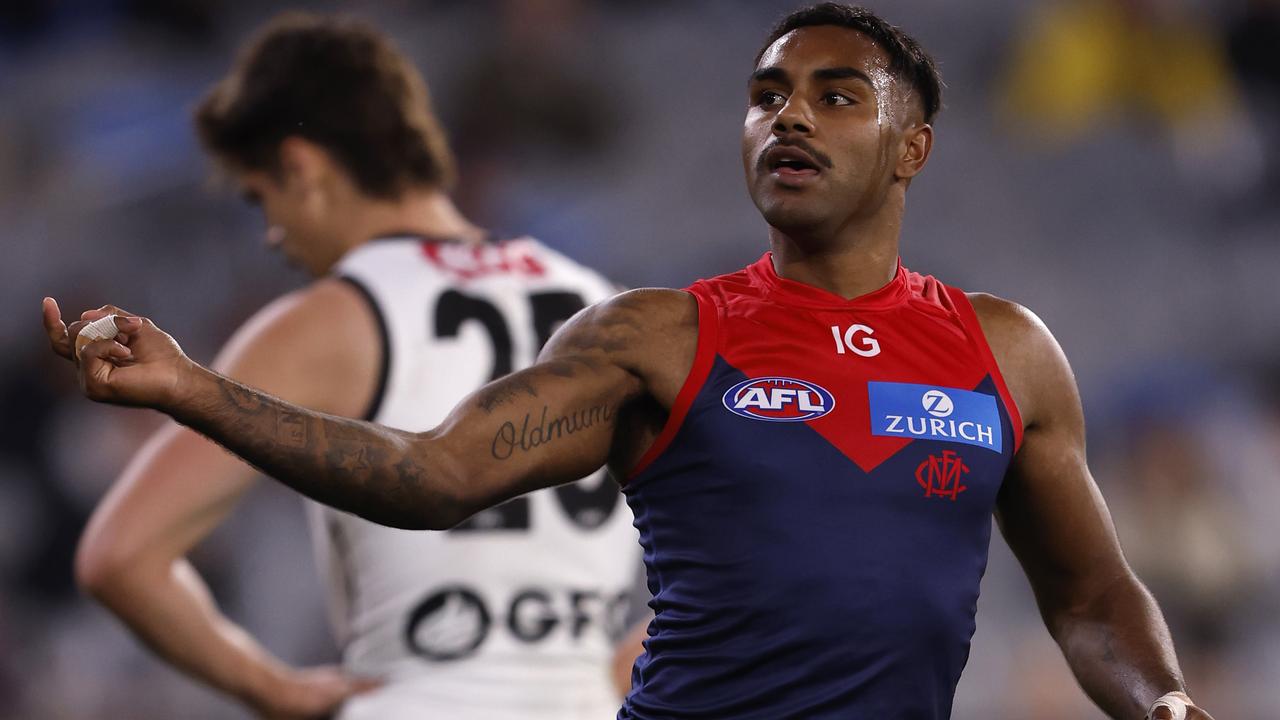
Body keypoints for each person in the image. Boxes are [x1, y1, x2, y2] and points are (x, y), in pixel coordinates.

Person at [45, 4, 1214, 719]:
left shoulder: (1004, 352)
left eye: (832, 95)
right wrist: (194, 391)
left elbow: (1090, 597)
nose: (787, 118)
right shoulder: (656, 336)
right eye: (765, 97)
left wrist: (1158, 699)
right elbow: (431, 474)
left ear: (909, 146)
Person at [60, 12, 643, 720]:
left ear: (302, 169)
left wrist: (276, 691)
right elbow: (734, 551)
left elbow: (119, 556)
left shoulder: (331, 318)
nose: (272, 234)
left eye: (260, 197)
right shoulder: (605, 303)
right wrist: (606, 677)